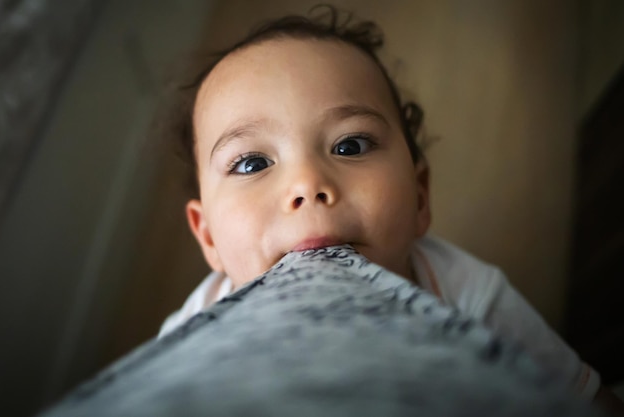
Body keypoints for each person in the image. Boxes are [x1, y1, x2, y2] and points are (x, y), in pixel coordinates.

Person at [159, 5, 623, 414]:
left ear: (419, 197)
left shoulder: (469, 296)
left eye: (350, 145)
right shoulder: (195, 336)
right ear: (210, 238)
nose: (307, 184)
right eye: (252, 163)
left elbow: (578, 397)